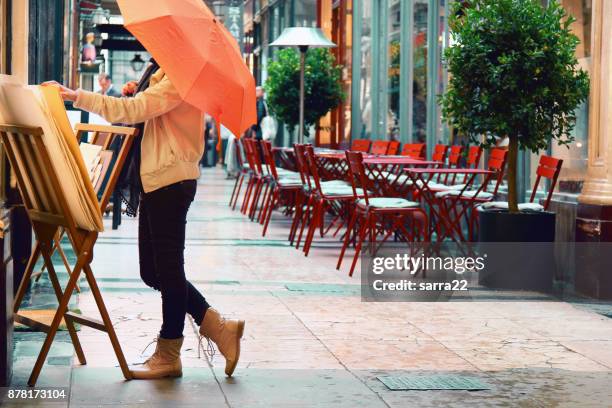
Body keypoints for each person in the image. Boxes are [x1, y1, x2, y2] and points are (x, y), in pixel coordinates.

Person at [43, 62, 245, 380]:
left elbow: (135, 110)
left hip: (170, 181)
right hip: (155, 179)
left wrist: (75, 95)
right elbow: (149, 109)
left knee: (168, 270)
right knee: (152, 271)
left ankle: (169, 352)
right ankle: (219, 328)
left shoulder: (181, 76)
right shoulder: (162, 73)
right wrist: (140, 90)